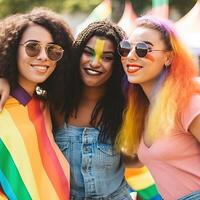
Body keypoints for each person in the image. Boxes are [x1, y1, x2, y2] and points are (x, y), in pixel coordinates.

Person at [116, 16, 200, 200]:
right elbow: (143, 162)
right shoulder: (141, 110)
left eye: (142, 49)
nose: (130, 56)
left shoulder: (188, 102)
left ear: (168, 57)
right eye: (126, 48)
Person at [0, 8, 74, 200]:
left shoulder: (44, 104)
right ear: (12, 48)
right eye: (32, 47)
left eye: (52, 50)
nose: (43, 56)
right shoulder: (2, 105)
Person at [54, 20, 133, 199]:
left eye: (107, 57)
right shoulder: (55, 103)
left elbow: (136, 161)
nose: (95, 63)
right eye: (89, 53)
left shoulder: (128, 106)